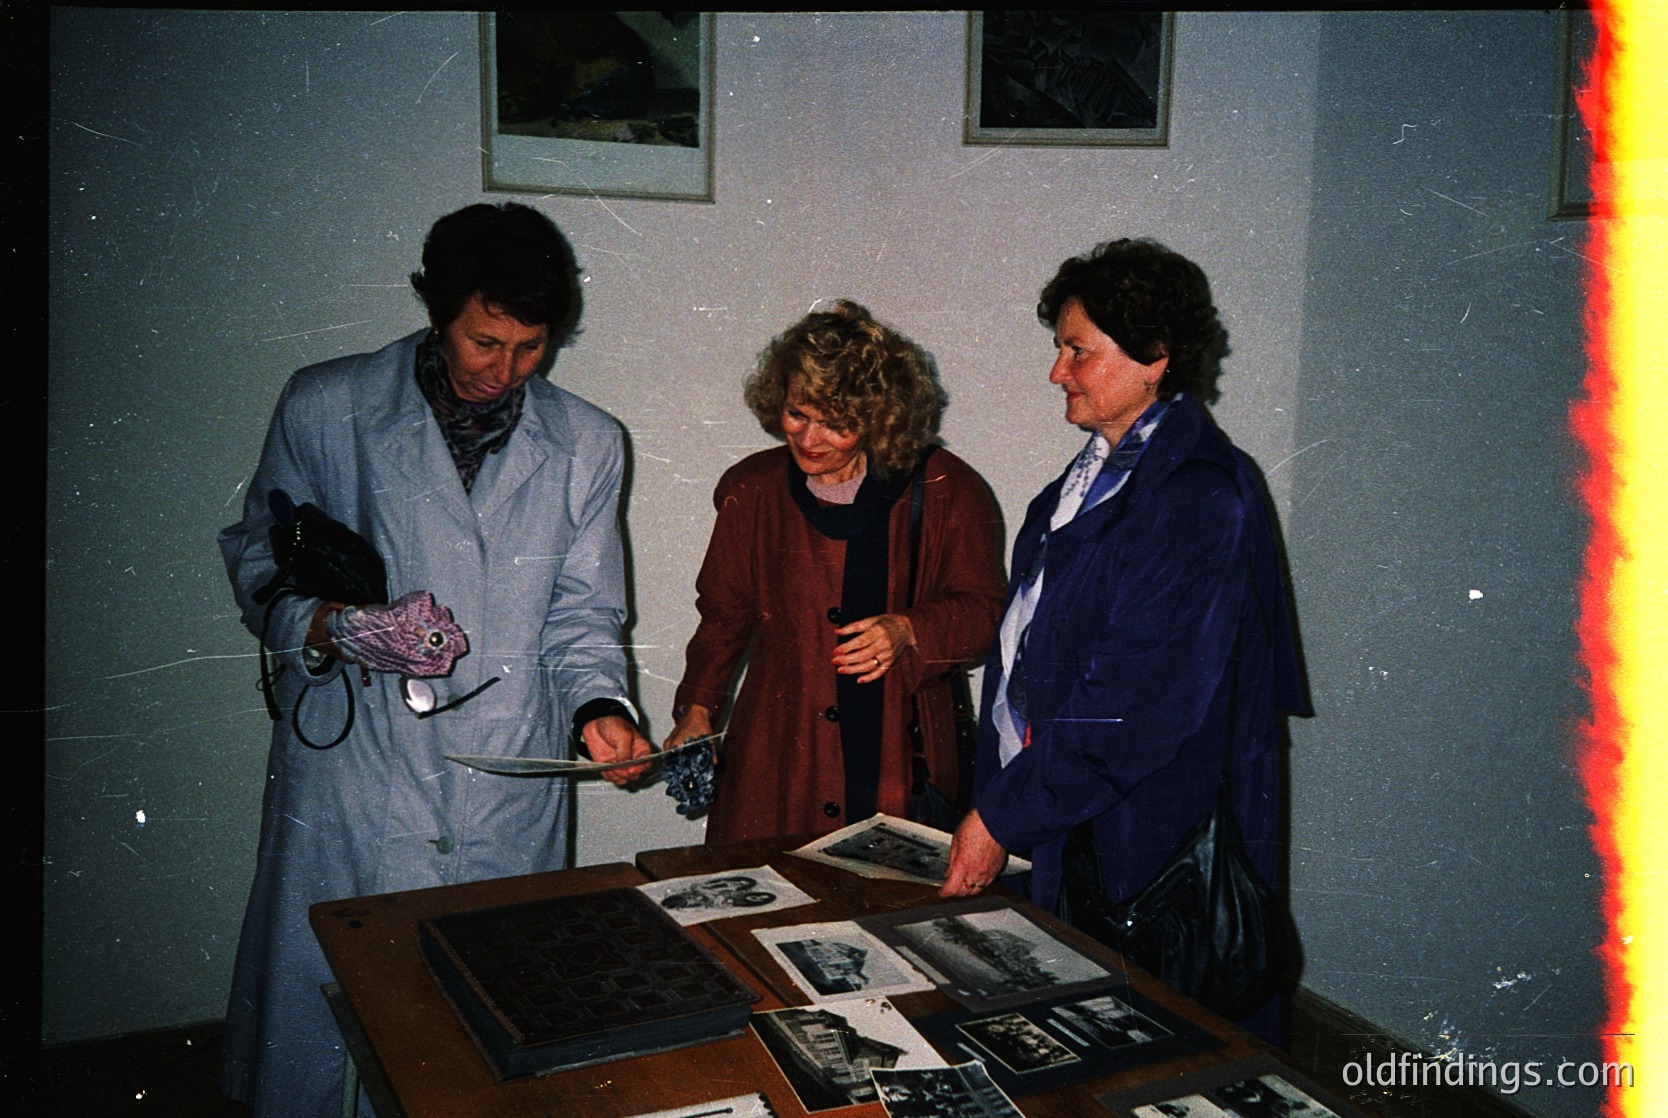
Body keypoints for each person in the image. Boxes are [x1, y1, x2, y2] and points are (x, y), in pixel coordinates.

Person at [217, 202, 652, 1116]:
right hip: (355, 761)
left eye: (533, 347)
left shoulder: (587, 445)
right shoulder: (326, 404)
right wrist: (333, 624)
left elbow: (583, 616)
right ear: (435, 309)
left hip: (501, 771)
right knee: (323, 1016)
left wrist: (599, 711)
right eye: (486, 342)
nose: (509, 372)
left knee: (474, 1032)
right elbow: (257, 556)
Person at [941, 239, 1307, 1034]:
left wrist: (1004, 815)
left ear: (1155, 358)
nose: (1057, 372)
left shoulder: (1199, 495)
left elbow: (1136, 705)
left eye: (1078, 350)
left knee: (1153, 1052)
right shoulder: (1075, 490)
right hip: (1076, 814)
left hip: (1145, 833)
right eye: (1059, 349)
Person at [665, 300, 1006, 842]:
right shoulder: (751, 490)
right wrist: (698, 709)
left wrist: (909, 628)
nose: (808, 438)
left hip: (900, 756)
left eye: (836, 424)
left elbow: (988, 613)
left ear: (878, 419)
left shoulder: (948, 489)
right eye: (798, 414)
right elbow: (723, 615)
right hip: (778, 757)